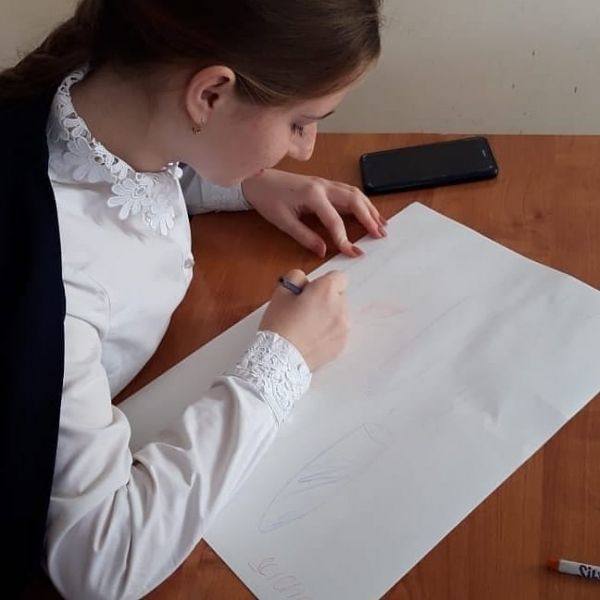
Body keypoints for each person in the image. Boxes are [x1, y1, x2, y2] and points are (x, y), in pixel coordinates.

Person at [0, 0, 385, 597]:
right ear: (209, 95)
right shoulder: (55, 284)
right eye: (299, 123)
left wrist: (250, 183)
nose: (306, 149)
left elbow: (138, 170)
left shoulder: (93, 90)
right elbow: (99, 564)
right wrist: (281, 363)